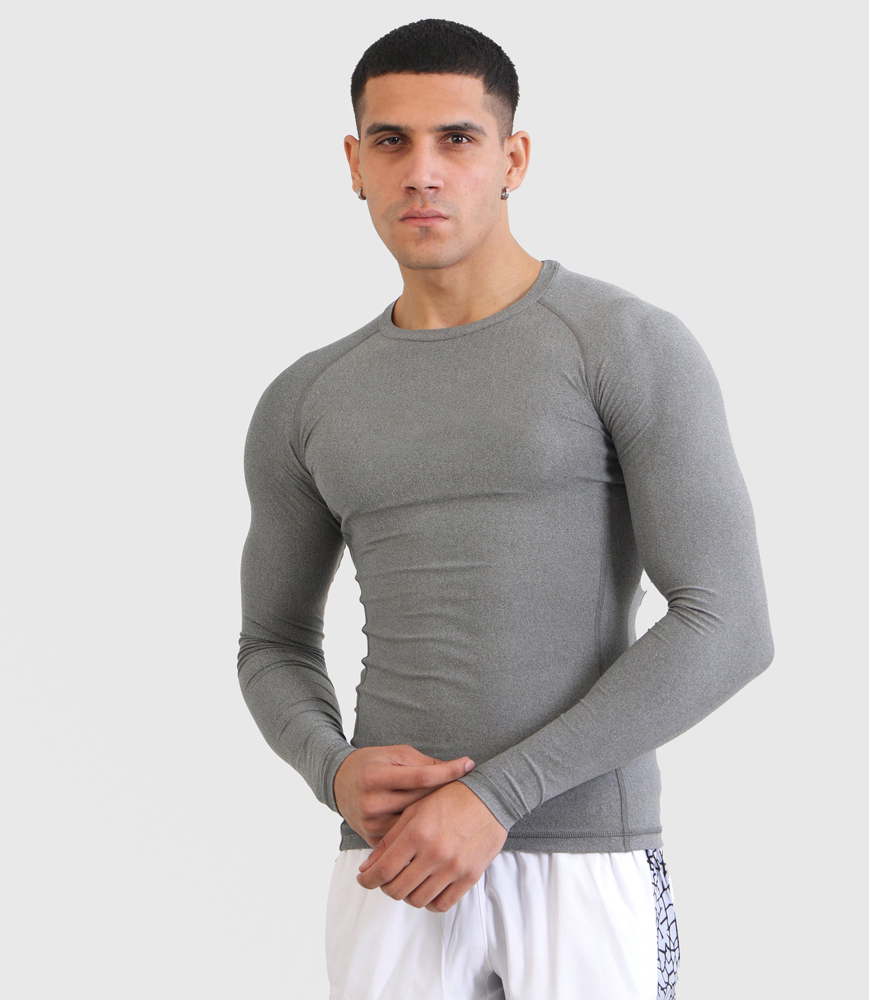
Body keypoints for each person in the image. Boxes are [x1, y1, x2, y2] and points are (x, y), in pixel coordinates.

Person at [237, 17, 774, 1000]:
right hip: (390, 866)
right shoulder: (307, 398)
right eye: (391, 141)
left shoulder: (622, 343)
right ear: (354, 164)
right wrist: (332, 770)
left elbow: (727, 622)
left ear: (513, 158)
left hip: (583, 861)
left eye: (457, 139)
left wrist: (496, 796)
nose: (422, 172)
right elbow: (271, 643)